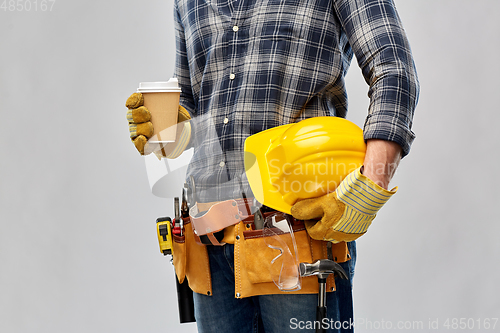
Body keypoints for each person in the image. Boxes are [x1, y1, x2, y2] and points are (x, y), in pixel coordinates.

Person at [127, 0, 419, 331]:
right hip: (208, 241)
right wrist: (171, 127)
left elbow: (394, 70)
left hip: (296, 234)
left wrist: (371, 185)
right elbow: (195, 101)